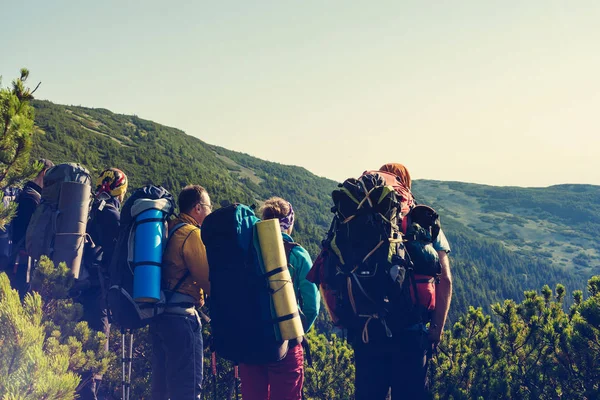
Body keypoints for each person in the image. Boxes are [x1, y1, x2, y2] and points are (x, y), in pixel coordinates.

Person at [352, 163, 453, 400]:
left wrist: (346, 321)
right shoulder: (422, 221)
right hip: (411, 333)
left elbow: (331, 275)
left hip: (368, 332)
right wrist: (436, 330)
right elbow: (445, 279)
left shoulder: (361, 221)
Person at [238, 197, 321, 400]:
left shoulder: (246, 250)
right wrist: (295, 331)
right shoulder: (298, 254)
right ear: (289, 223)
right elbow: (312, 306)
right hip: (285, 343)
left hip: (250, 344)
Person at [151, 185, 212, 400]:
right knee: (187, 389)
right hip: (183, 320)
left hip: (160, 316)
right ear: (197, 208)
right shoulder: (191, 234)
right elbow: (208, 280)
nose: (209, 212)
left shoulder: (169, 228)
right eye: (208, 207)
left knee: (161, 388)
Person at [78, 167, 128, 400]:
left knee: (80, 348)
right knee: (97, 350)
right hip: (98, 291)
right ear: (121, 190)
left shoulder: (88, 209)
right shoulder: (110, 213)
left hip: (81, 286)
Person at [9, 158, 54, 298]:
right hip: (21, 259)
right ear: (44, 173)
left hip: (13, 254)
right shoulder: (33, 199)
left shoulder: (24, 192)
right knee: (18, 295)